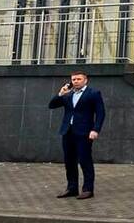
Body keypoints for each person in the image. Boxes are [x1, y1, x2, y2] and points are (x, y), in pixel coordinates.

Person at [48, 71, 105, 199]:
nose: (76, 81)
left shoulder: (93, 93)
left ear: (85, 80)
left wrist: (95, 130)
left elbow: (100, 113)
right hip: (67, 131)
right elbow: (51, 105)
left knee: (85, 160)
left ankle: (88, 189)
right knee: (69, 161)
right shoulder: (68, 94)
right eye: (73, 79)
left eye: (79, 79)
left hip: (84, 132)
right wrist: (61, 93)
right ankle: (72, 188)